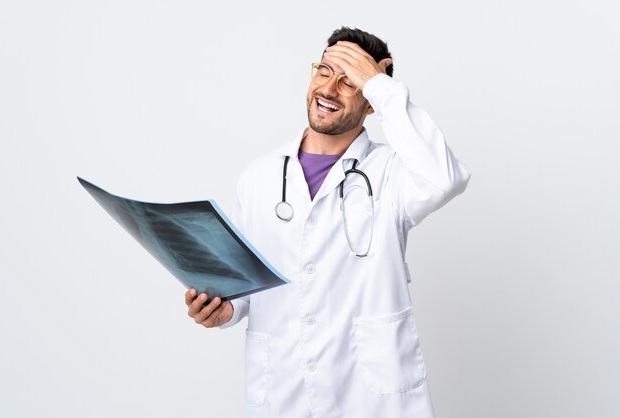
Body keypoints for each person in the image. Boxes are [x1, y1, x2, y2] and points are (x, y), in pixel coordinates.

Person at [185, 27, 470, 418]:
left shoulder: (393, 173)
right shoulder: (259, 177)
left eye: (350, 81)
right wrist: (225, 311)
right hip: (282, 393)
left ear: (371, 103)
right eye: (325, 70)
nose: (330, 89)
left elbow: (446, 178)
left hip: (369, 399)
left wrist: (381, 87)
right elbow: (245, 286)